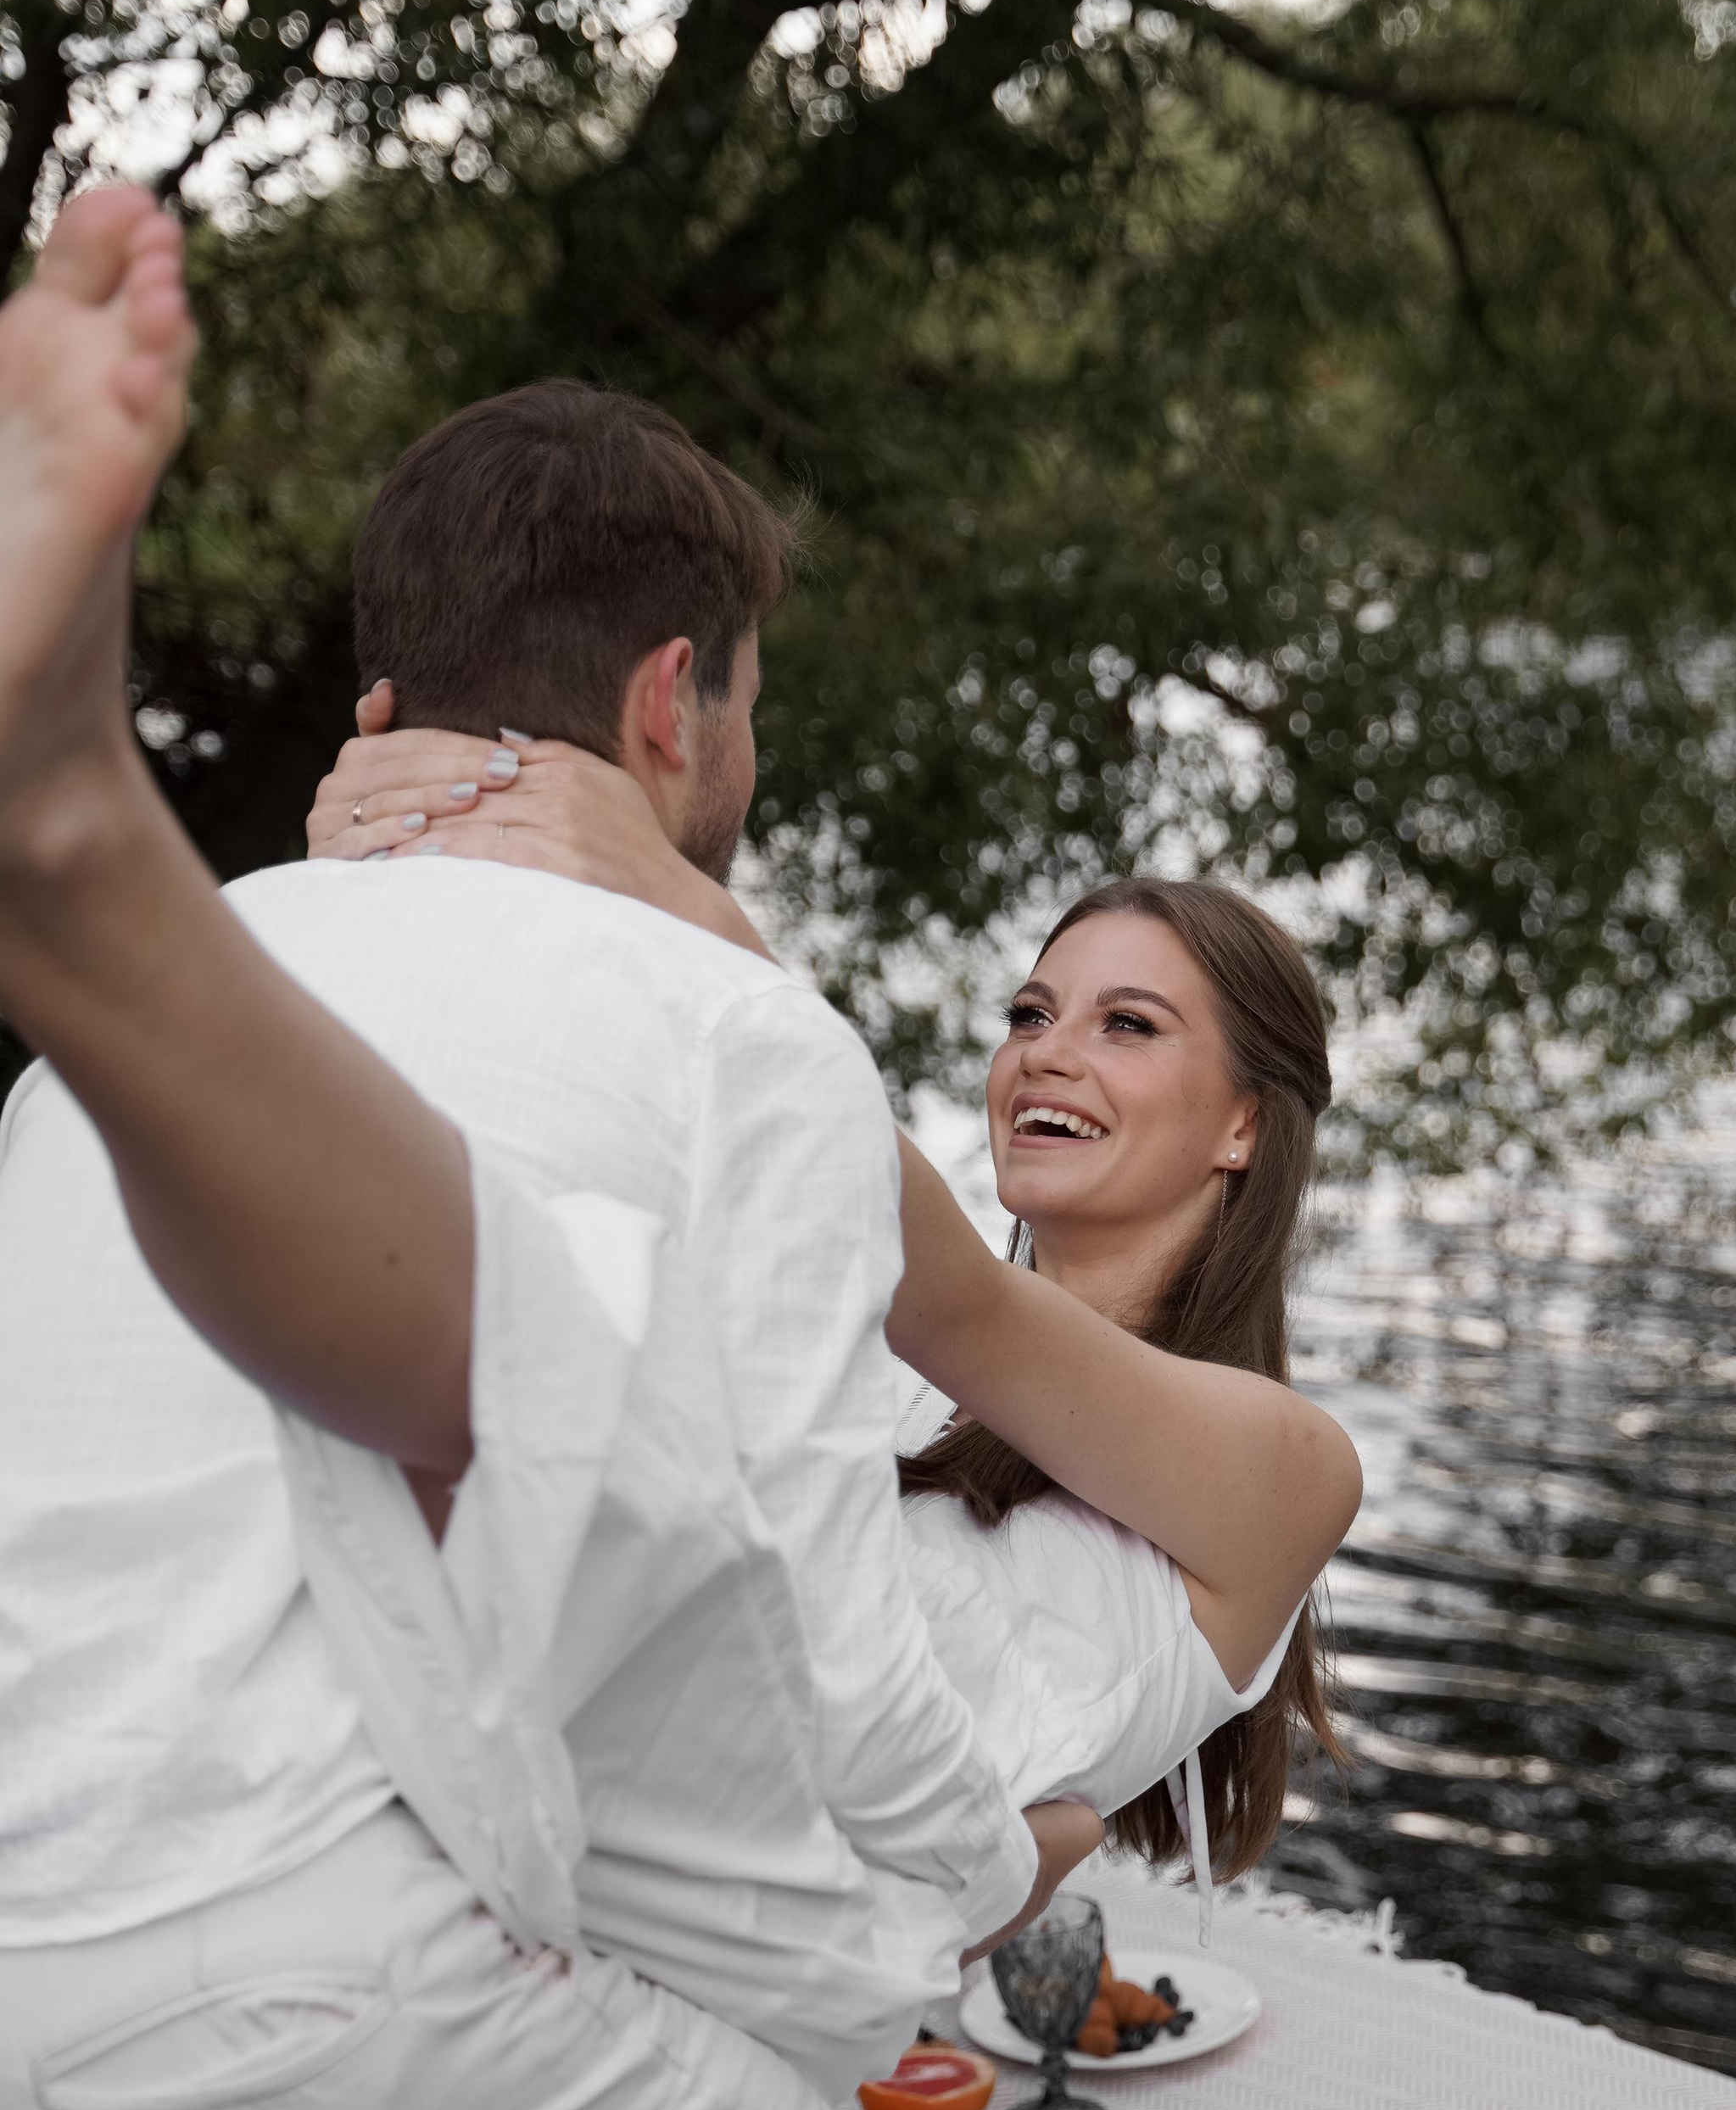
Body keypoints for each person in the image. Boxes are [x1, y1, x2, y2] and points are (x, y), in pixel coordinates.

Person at [0, 189, 1058, 2110]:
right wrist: (990, 1874)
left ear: (377, 693)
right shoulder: (740, 1030)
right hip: (296, 2034)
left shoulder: (183, 994)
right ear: (677, 699)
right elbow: (817, 1654)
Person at [310, 706, 1350, 1954]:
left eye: (1126, 1026)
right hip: (516, 1830)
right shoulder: (874, 1354)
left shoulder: (1291, 1471)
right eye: (1031, 1016)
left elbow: (961, 1305)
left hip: (647, 1936)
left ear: (1244, 1126)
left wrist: (658, 887)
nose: (1043, 1056)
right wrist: (397, 886)